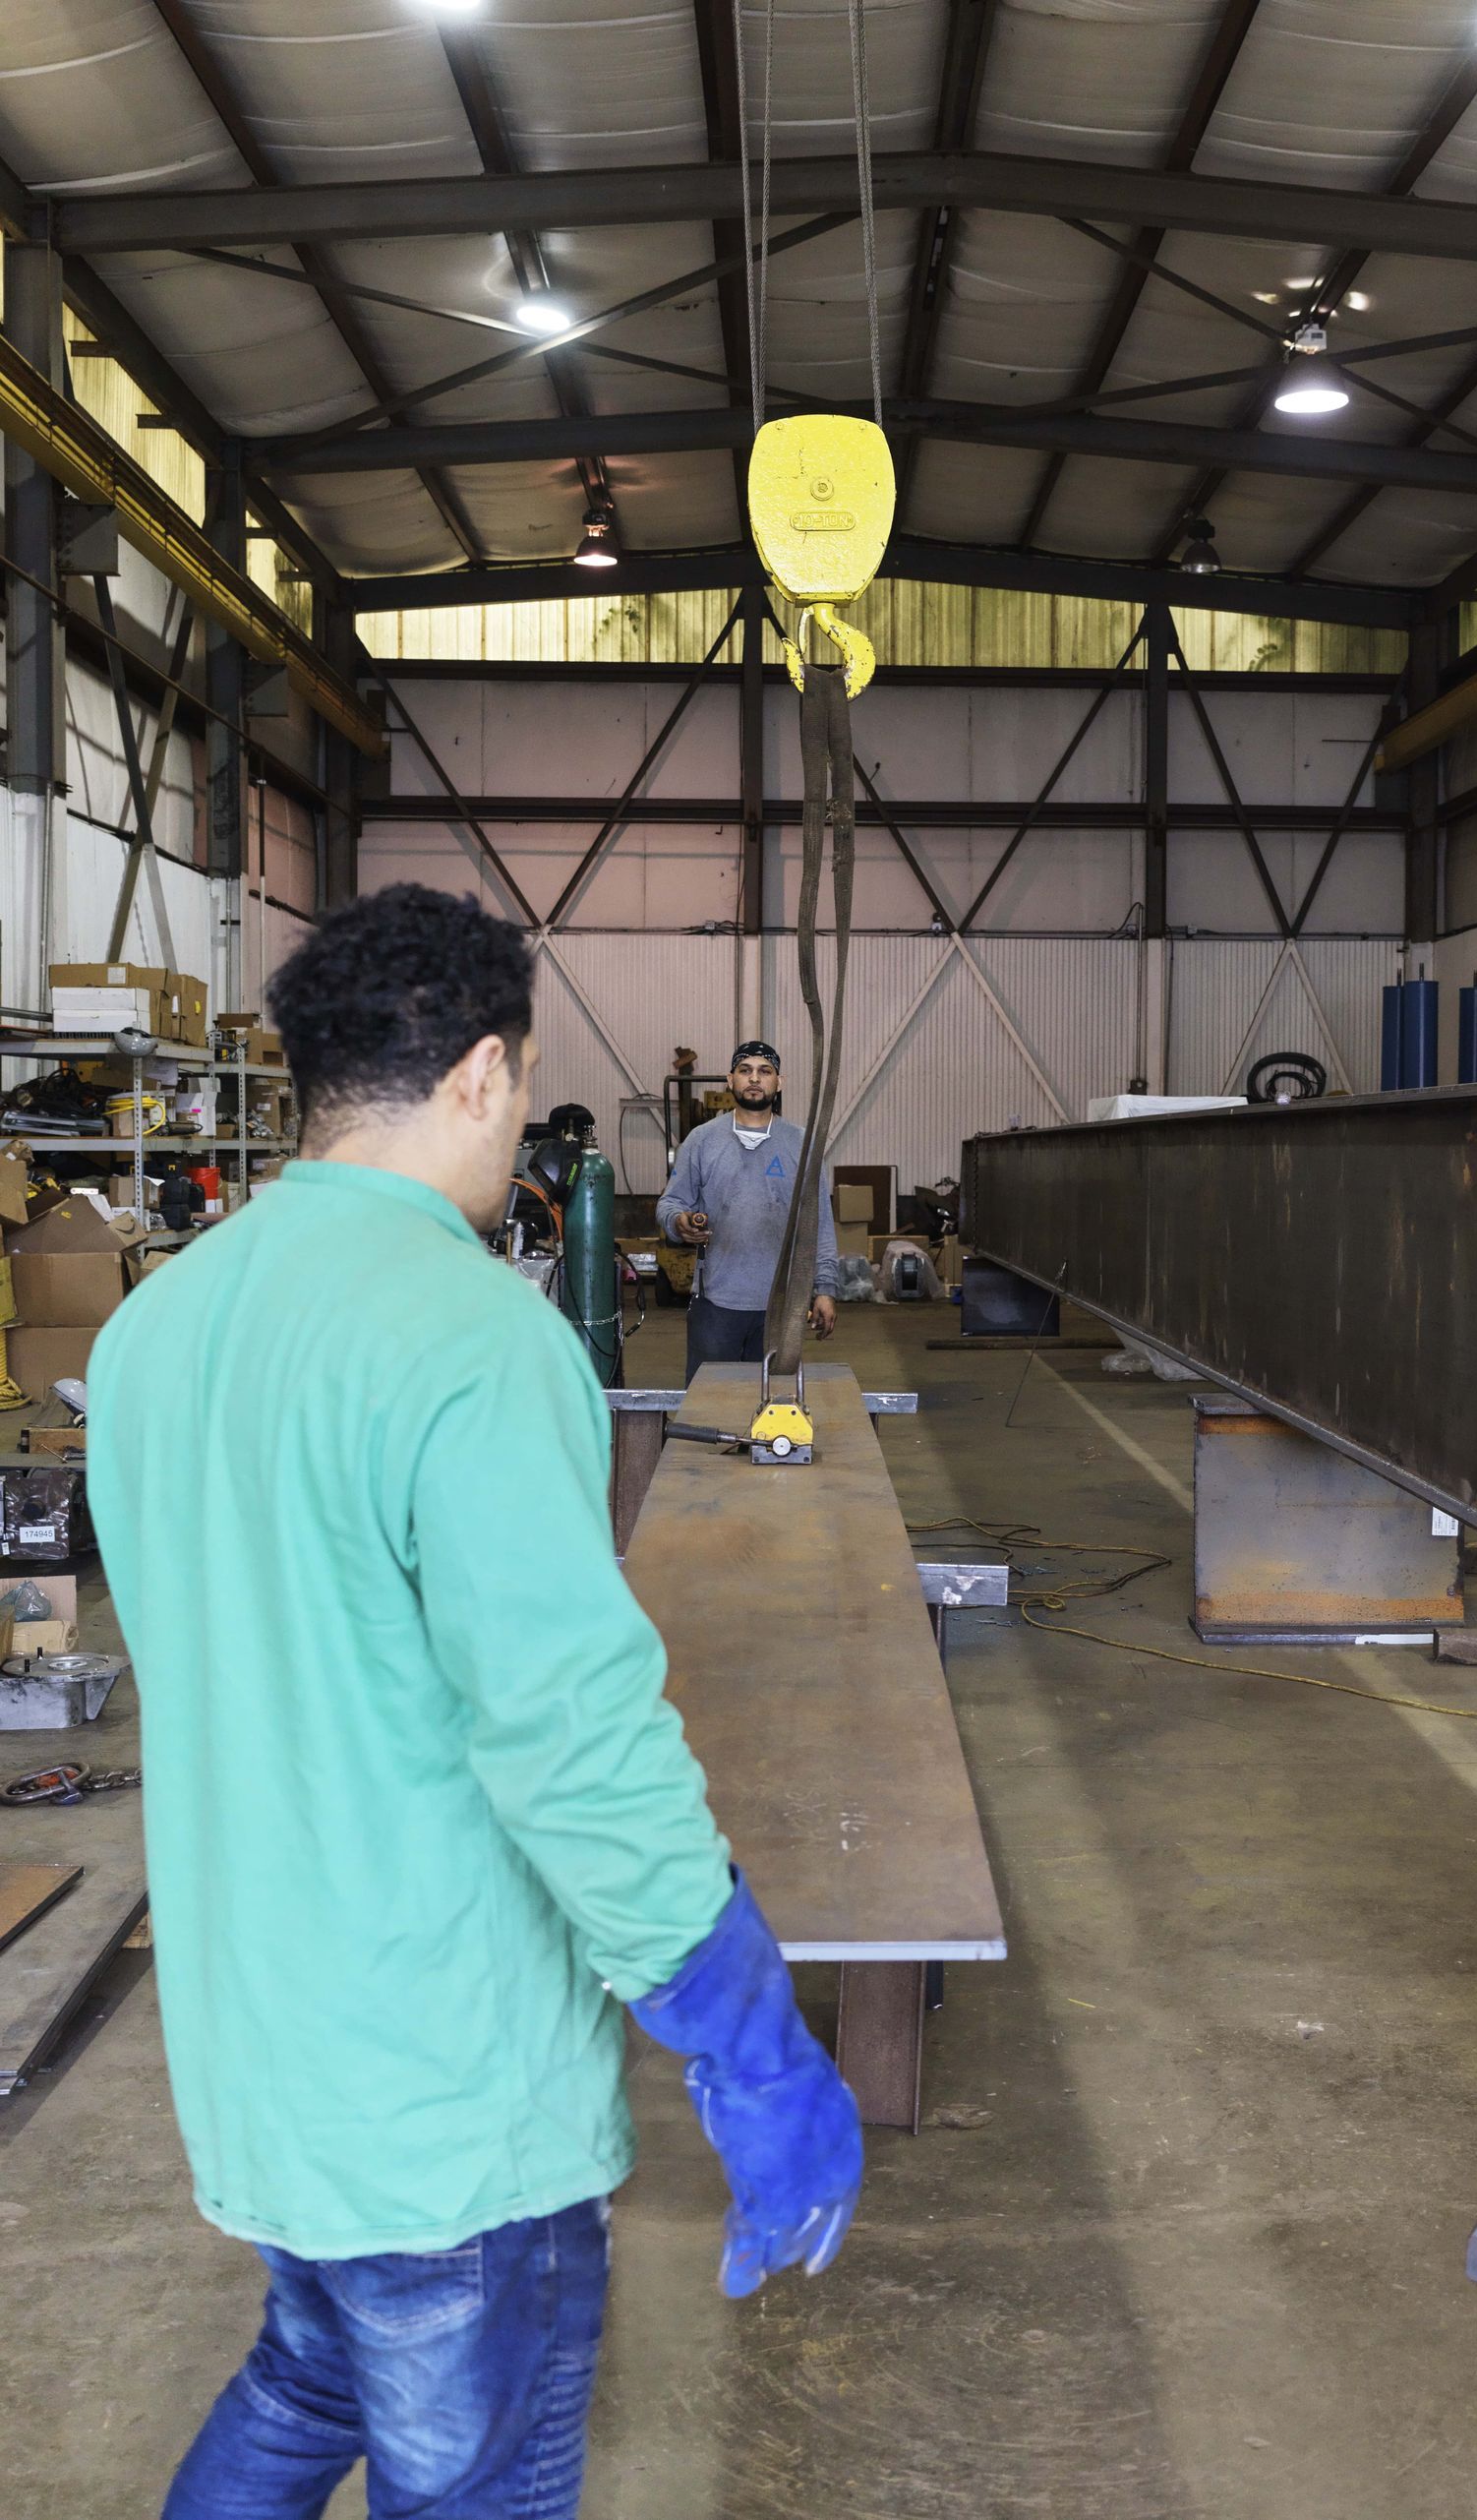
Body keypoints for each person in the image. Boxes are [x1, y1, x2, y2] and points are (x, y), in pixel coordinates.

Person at [88, 886, 861, 2520]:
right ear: (490, 1074)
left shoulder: (158, 1329)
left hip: (267, 2055)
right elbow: (573, 1741)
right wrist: (743, 2031)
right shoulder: (475, 1341)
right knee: (476, 2475)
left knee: (312, 2372)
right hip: (446, 2092)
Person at [658, 1039, 840, 1385]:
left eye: (764, 1071)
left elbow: (819, 1227)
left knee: (773, 1414)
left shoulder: (802, 1145)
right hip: (715, 1303)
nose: (754, 1079)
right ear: (730, 1080)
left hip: (781, 1306)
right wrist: (680, 1222)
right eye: (745, 1071)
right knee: (709, 1406)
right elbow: (670, 1204)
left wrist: (825, 1289)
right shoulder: (702, 1140)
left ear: (778, 1082)